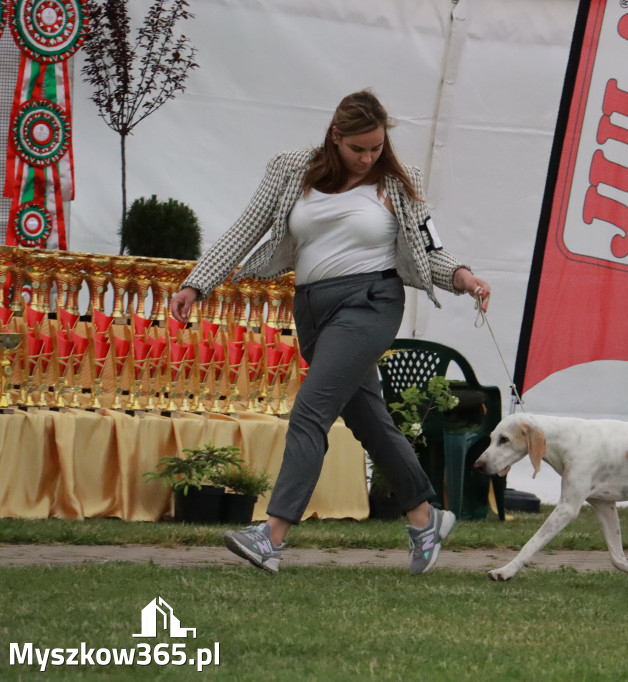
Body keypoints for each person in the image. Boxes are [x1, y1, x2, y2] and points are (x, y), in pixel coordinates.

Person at [169, 90, 491, 575]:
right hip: (313, 309)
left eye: (376, 148)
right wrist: (198, 282)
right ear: (335, 137)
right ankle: (425, 518)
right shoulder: (291, 170)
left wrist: (463, 278)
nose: (368, 158)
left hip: (371, 303)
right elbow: (245, 228)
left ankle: (271, 537)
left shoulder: (399, 183)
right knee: (370, 422)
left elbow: (430, 249)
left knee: (311, 409)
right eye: (358, 148)